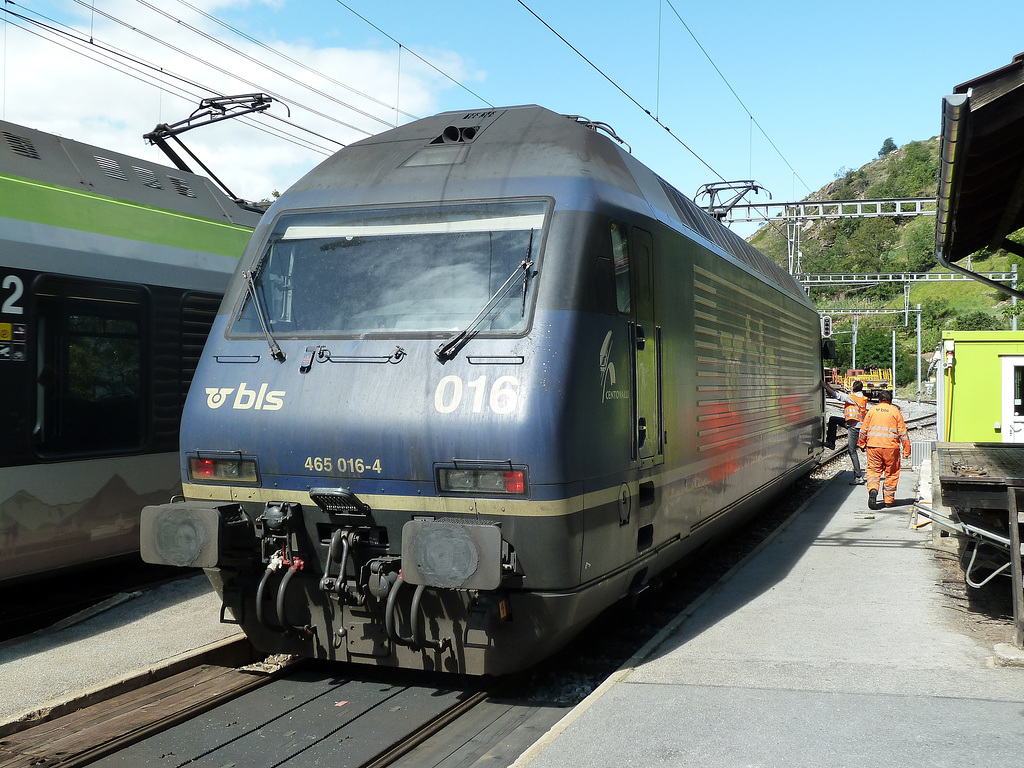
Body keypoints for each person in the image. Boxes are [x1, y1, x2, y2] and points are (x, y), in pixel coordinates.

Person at [857, 390, 911, 510]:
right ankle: (888, 501)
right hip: (891, 448)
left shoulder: (872, 411)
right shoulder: (895, 411)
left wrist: (861, 443)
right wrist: (907, 450)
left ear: (879, 400)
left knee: (873, 471)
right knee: (891, 473)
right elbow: (903, 433)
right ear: (890, 401)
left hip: (873, 447)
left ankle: (873, 489)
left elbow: (863, 429)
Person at [822, 379, 868, 485]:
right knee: (833, 419)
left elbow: (838, 396)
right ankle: (831, 443)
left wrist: (825, 387)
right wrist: (829, 386)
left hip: (854, 427)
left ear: (853, 388)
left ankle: (858, 477)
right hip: (854, 424)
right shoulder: (860, 397)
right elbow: (841, 393)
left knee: (852, 450)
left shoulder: (853, 398)